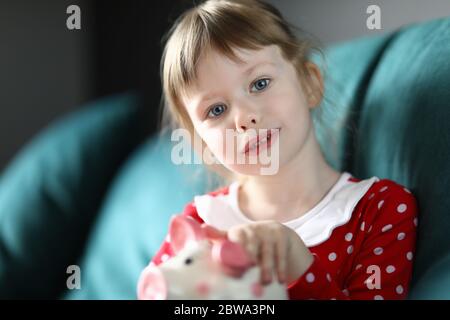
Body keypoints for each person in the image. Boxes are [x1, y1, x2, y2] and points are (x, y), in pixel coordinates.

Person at [140, 0, 418, 300]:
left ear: (309, 83)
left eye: (260, 83)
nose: (245, 117)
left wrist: (301, 270)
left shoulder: (378, 211)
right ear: (201, 142)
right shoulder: (200, 225)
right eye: (217, 109)